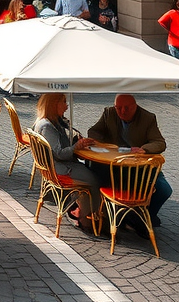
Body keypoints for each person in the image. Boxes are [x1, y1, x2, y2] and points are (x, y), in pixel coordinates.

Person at [88, 94, 171, 229]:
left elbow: (160, 142)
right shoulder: (109, 113)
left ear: (135, 106)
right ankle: (115, 216)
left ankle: (143, 219)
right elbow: (94, 131)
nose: (122, 111)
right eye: (118, 108)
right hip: (115, 164)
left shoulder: (147, 118)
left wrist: (144, 149)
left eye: (127, 108)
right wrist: (106, 145)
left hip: (140, 166)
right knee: (102, 175)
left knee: (164, 190)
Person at [32, 93, 100, 233]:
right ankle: (85, 218)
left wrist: (75, 138)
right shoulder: (47, 126)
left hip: (57, 166)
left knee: (91, 173)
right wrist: (76, 147)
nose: (66, 106)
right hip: (59, 169)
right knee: (95, 180)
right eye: (63, 102)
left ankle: (80, 209)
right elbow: (59, 153)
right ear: (53, 104)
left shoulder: (53, 122)